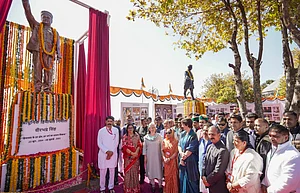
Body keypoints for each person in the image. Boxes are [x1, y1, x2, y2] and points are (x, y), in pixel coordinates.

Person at [22, 0, 61, 92]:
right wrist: (25, 2)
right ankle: (37, 88)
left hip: (49, 54)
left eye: (48, 17)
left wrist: (59, 55)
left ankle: (47, 88)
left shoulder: (55, 32)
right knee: (37, 69)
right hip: (38, 50)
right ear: (41, 18)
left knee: (49, 72)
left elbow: (57, 45)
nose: (46, 19)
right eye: (44, 17)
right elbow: (28, 14)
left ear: (51, 20)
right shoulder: (36, 26)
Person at [261, 124, 300, 193]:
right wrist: (264, 183)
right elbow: (269, 171)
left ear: (286, 137)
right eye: (270, 135)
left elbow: (289, 182)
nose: (271, 139)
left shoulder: (293, 156)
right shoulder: (272, 150)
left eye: (275, 136)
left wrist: (269, 190)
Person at [202, 126, 229, 193]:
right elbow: (204, 163)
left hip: (218, 185)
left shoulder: (223, 150)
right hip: (209, 183)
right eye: (209, 134)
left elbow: (219, 171)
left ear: (219, 135)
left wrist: (208, 181)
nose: (211, 137)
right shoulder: (209, 147)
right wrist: (203, 176)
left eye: (213, 134)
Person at [97, 116, 120, 193]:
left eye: (111, 121)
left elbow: (116, 142)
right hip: (103, 154)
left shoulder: (116, 130)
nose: (109, 123)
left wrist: (111, 153)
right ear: (105, 122)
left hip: (113, 154)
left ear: (113, 122)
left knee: (112, 171)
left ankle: (111, 187)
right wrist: (107, 151)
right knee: (103, 172)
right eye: (108, 121)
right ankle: (102, 188)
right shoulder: (101, 131)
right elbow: (99, 143)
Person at [178, 118, 199, 193]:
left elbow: (191, 148)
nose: (181, 126)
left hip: (190, 161)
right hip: (182, 159)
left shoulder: (193, 135)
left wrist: (183, 158)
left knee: (191, 180)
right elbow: (179, 145)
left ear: (187, 125)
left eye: (182, 124)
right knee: (183, 179)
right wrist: (181, 154)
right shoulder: (182, 134)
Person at [122, 123, 142, 193]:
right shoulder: (125, 137)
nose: (130, 129)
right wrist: (132, 153)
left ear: (134, 129)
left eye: (131, 128)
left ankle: (135, 188)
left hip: (135, 158)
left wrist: (136, 153)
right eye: (129, 128)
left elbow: (139, 144)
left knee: (135, 173)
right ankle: (128, 189)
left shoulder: (137, 135)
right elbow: (124, 147)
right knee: (128, 173)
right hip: (128, 158)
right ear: (127, 129)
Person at [143, 123, 163, 193]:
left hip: (158, 156)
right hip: (149, 156)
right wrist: (145, 157)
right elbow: (144, 148)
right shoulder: (146, 137)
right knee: (151, 170)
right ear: (149, 129)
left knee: (159, 170)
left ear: (155, 128)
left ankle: (160, 185)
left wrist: (162, 156)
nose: (152, 128)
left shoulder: (159, 136)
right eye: (151, 127)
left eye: (153, 127)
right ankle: (153, 185)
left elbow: (162, 147)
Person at [162, 128, 179, 193]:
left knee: (173, 176)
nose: (168, 134)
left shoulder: (175, 141)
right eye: (166, 133)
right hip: (166, 162)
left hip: (172, 161)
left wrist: (170, 158)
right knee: (167, 177)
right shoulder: (164, 141)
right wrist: (164, 158)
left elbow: (176, 152)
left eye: (169, 133)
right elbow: (162, 151)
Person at [198, 123, 212, 193]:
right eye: (203, 130)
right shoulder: (200, 141)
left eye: (206, 131)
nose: (204, 132)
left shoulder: (213, 143)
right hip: (201, 173)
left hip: (210, 175)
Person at [136, 118, 148, 184]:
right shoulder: (138, 129)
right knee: (141, 163)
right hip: (140, 149)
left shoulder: (148, 128)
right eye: (143, 121)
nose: (145, 122)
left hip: (147, 148)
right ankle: (142, 178)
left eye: (146, 121)